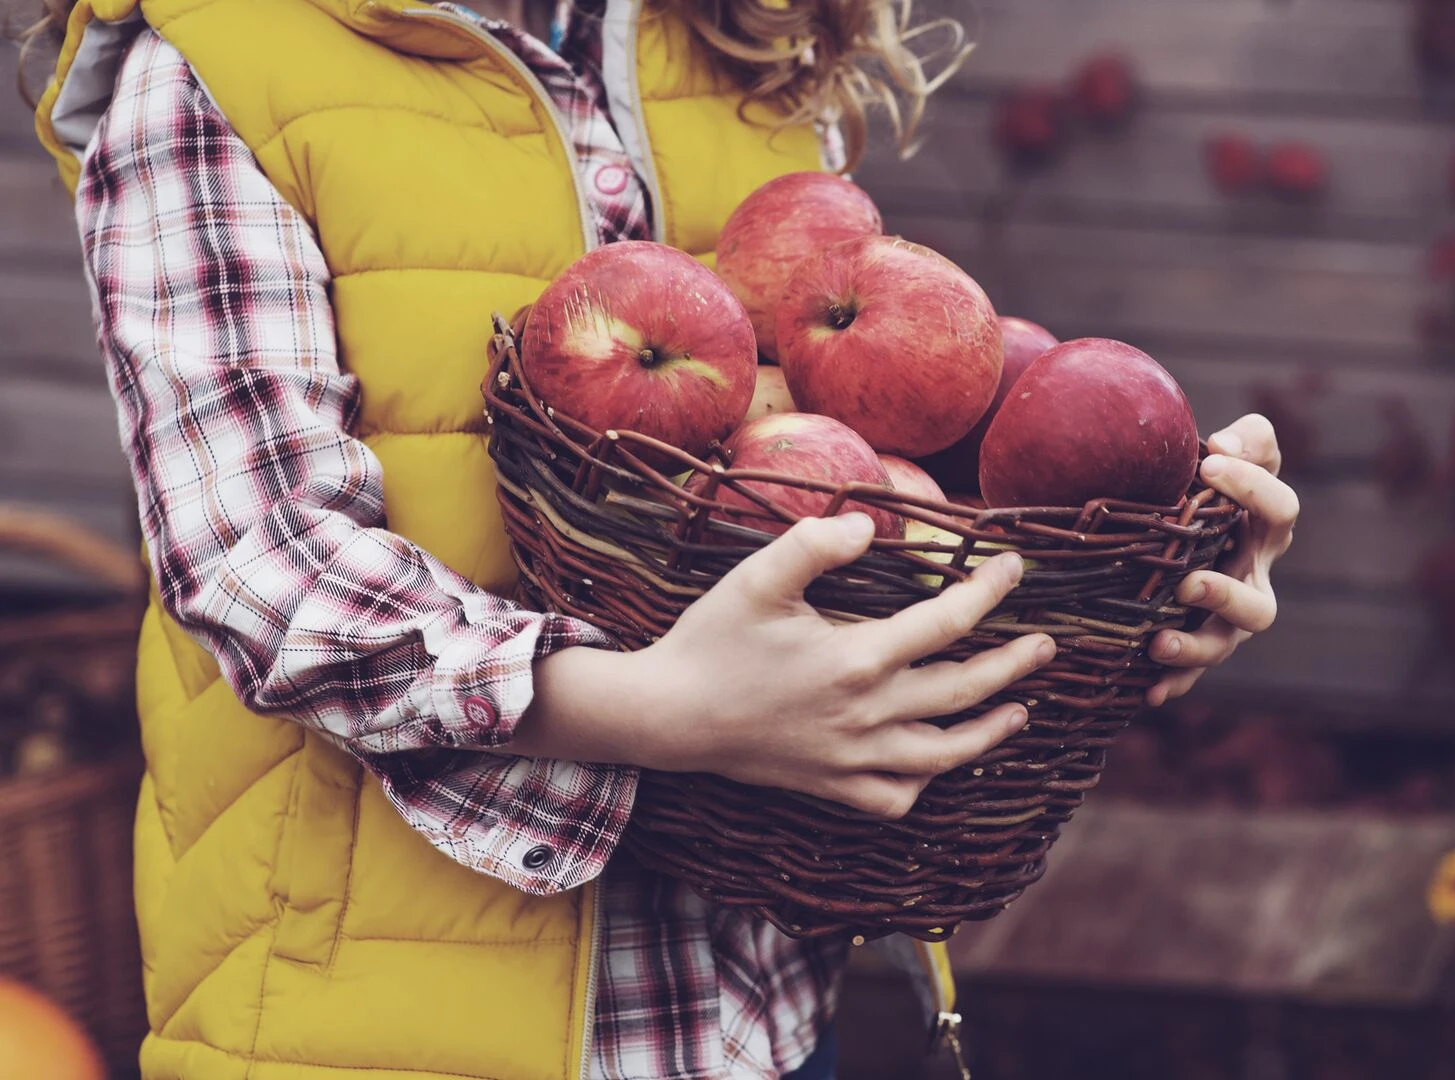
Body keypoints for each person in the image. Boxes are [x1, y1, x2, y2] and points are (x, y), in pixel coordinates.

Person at [17, 0, 1300, 1076]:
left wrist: (1125, 570)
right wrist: (657, 707)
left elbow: (887, 477)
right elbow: (259, 560)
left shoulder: (738, 55)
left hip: (749, 1019)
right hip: (370, 1026)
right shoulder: (225, 63)